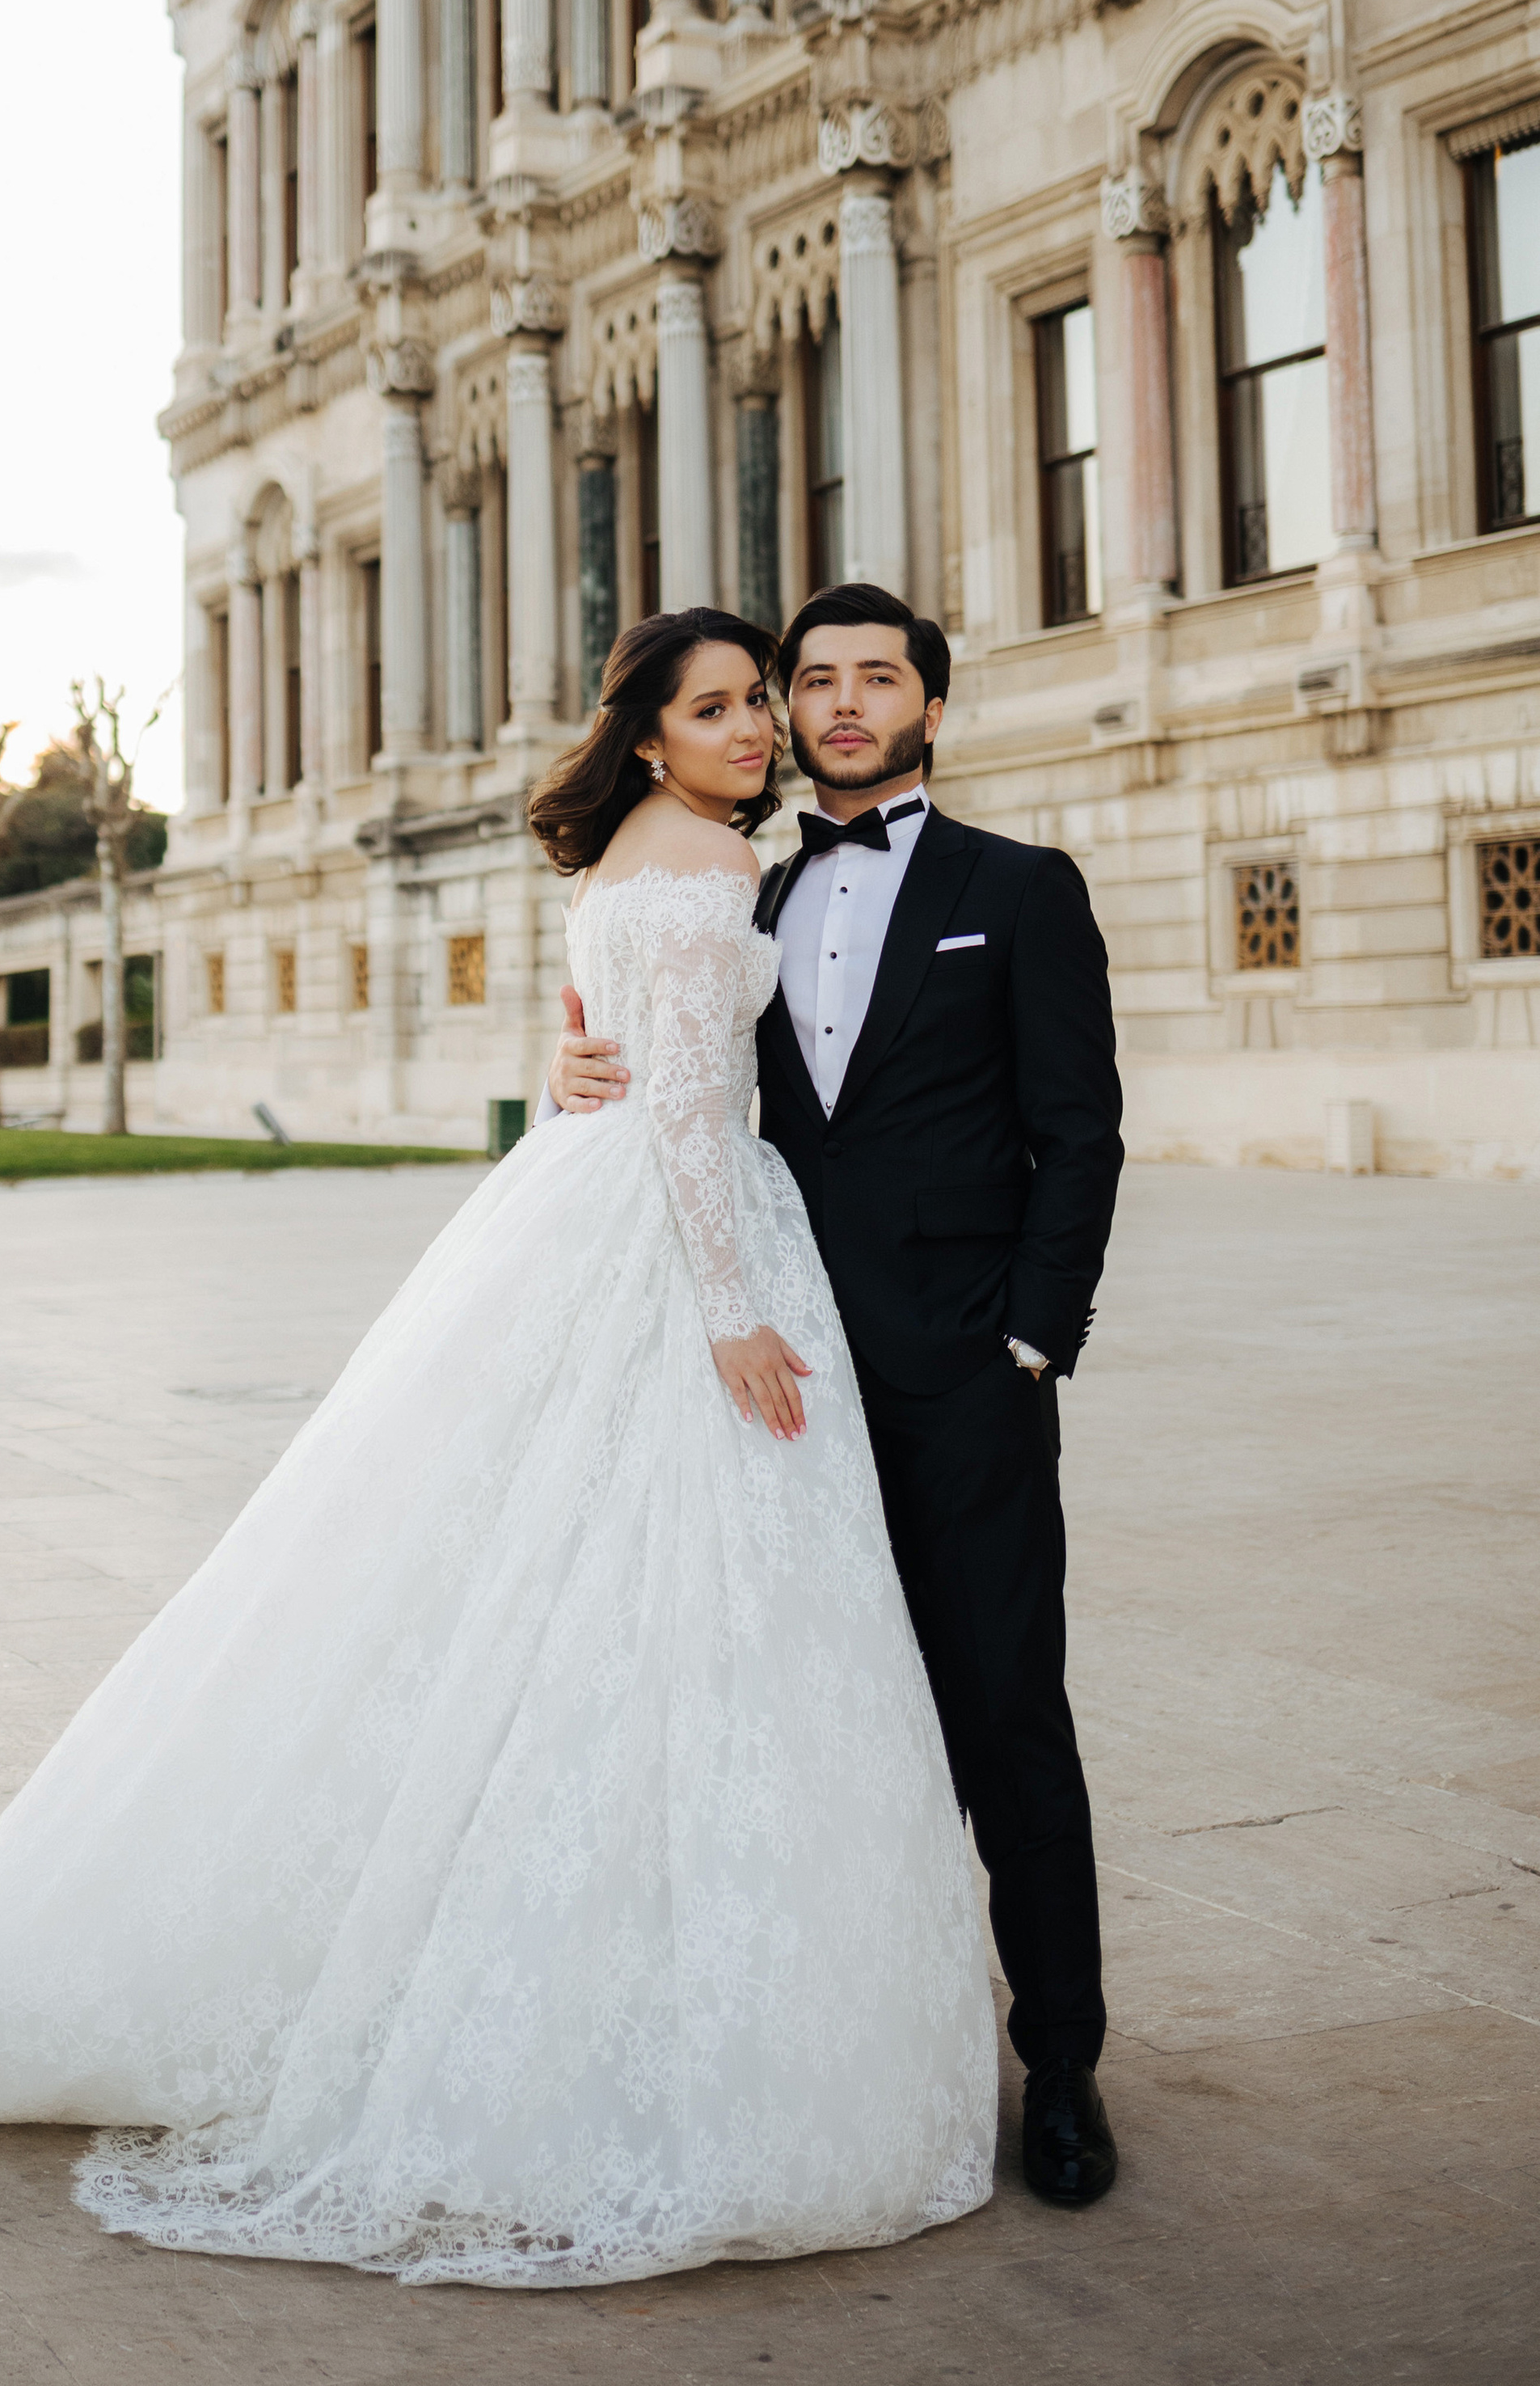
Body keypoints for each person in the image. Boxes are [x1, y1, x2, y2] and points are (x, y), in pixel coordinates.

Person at [0, 607, 997, 2289]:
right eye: (712, 708)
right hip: (680, 1239)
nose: (751, 730)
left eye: (753, 705)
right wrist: (727, 1307)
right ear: (645, 735)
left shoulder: (653, 859)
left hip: (605, 1215)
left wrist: (583, 1078)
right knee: (665, 1600)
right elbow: (674, 1104)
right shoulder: (715, 867)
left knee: (543, 1580)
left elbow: (615, 1055)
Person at [546, 582, 1124, 2209]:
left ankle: (1062, 2065)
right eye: (815, 681)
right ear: (783, 713)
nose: (844, 702)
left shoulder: (1017, 890)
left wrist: (1027, 1338)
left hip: (956, 1372)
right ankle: (847, 2039)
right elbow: (672, 1077)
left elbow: (1077, 1131)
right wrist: (563, 1067)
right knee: (820, 1722)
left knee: (1005, 1712)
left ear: (931, 709)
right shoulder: (733, 884)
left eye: (882, 678)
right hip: (775, 1386)